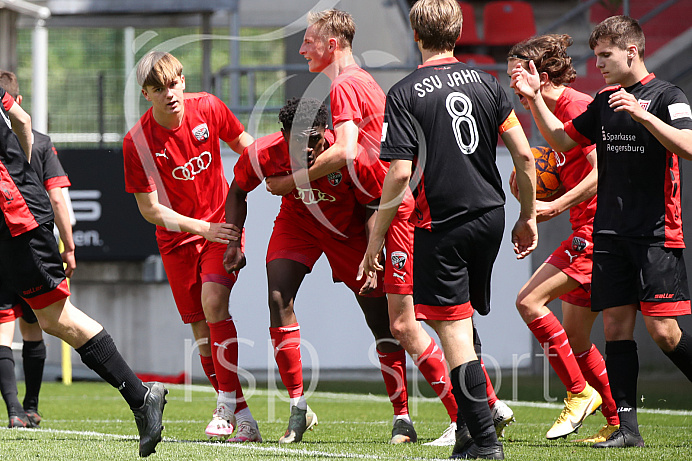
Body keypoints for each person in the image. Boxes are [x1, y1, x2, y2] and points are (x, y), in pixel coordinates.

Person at [266, 8, 515, 446]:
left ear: (332, 43)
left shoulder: (344, 85)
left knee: (411, 324)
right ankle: (484, 407)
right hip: (394, 206)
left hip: (398, 208)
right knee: (432, 318)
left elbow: (345, 151)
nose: (302, 47)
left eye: (309, 39)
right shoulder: (356, 80)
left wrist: (290, 181)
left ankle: (472, 417)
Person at [359, 0, 538, 459]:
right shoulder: (487, 81)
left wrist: (374, 240)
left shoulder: (403, 92)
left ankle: (483, 439)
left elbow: (399, 174)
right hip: (492, 214)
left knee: (452, 331)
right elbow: (523, 154)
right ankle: (466, 433)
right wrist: (528, 215)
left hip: (445, 222)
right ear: (458, 33)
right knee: (460, 320)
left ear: (416, 35)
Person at [511, 15, 692, 449]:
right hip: (610, 234)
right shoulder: (606, 100)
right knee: (613, 330)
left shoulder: (669, 96)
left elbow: (688, 146)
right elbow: (562, 140)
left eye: (606, 55)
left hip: (655, 234)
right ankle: (627, 430)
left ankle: (600, 407)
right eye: (595, 56)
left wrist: (643, 116)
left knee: (664, 333)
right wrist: (535, 99)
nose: (599, 65)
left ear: (632, 50)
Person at [224, 96, 410, 444]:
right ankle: (298, 407)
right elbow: (237, 190)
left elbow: (373, 202)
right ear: (283, 135)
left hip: (349, 232)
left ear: (327, 130)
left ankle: (402, 416)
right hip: (297, 226)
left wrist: (374, 253)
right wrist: (233, 242)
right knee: (278, 296)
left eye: (314, 138)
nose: (307, 147)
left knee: (380, 319)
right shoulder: (263, 153)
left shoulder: (350, 154)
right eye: (297, 140)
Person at [0, 84, 166, 457]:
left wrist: (22, 181)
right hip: (12, 219)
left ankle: (141, 398)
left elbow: (23, 121)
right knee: (50, 321)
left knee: (58, 318)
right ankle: (141, 397)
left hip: (19, 220)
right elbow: (21, 122)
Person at [122, 51, 260, 443]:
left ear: (183, 80)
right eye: (159, 88)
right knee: (202, 330)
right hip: (180, 240)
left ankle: (224, 406)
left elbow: (245, 145)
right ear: (146, 93)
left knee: (215, 303)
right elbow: (150, 210)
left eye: (175, 82)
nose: (171, 93)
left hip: (222, 227)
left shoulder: (209, 108)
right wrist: (202, 228)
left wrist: (274, 172)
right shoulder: (138, 143)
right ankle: (244, 416)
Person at [505, 36, 620, 442]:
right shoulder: (548, 110)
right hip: (587, 228)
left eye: (517, 78)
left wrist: (553, 206)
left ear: (542, 76)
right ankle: (617, 421)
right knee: (575, 337)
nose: (513, 88)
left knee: (528, 301)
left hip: (595, 230)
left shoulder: (573, 105)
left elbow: (598, 172)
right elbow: (563, 161)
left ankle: (577, 393)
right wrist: (535, 180)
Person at [0, 70, 75, 428]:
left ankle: (14, 411)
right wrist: (69, 246)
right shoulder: (40, 142)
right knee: (36, 325)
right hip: (32, 240)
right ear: (18, 101)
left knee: (3, 329)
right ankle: (31, 406)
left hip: (2, 243)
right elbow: (58, 198)